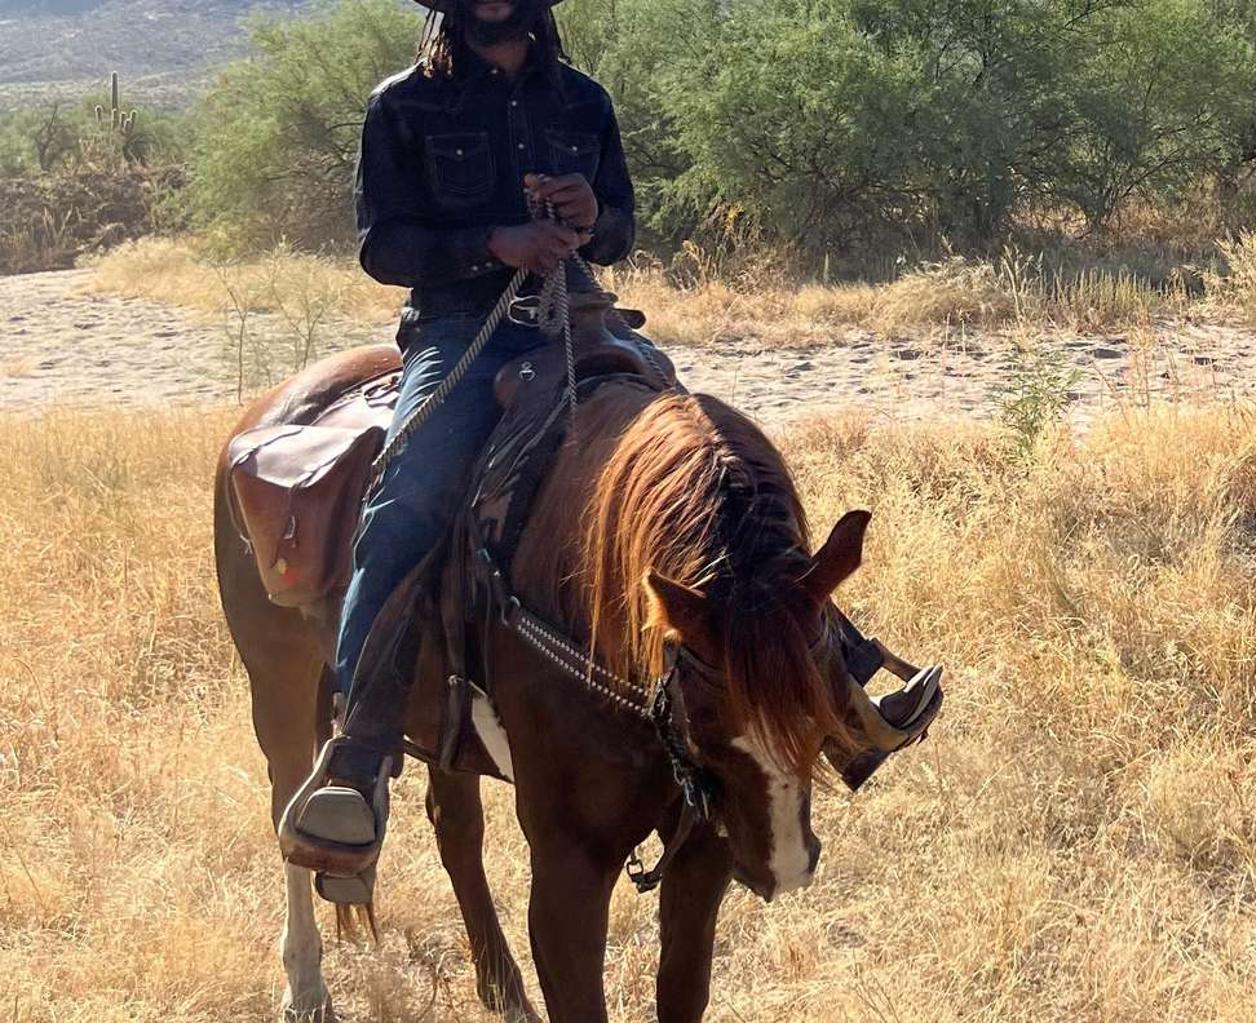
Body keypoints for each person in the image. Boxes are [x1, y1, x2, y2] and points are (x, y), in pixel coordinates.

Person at [278, 0, 936, 901]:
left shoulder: (582, 99)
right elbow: (382, 245)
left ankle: (839, 683)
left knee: (709, 473)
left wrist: (595, 219)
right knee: (409, 493)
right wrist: (491, 243)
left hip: (580, 315)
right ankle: (358, 748)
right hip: (462, 330)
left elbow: (623, 224)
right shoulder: (403, 104)